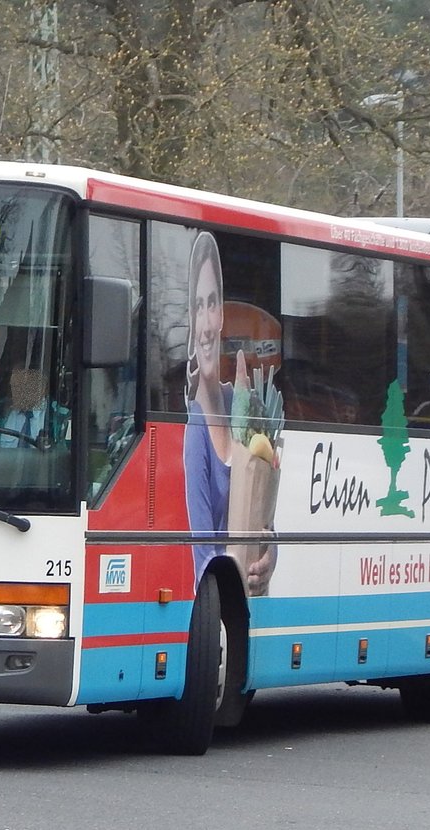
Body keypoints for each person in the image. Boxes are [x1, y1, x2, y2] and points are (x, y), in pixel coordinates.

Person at [182, 231, 275, 596]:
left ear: (222, 313)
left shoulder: (242, 404)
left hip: (252, 597)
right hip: (218, 605)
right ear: (191, 318)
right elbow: (203, 555)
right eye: (198, 306)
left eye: (212, 303)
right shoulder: (194, 426)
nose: (206, 323)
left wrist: (269, 556)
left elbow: (267, 521)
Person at [0, 366, 69, 447]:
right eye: (15, 386)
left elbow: (68, 457)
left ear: (43, 386)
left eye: (25, 385)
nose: (17, 392)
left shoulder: (62, 417)